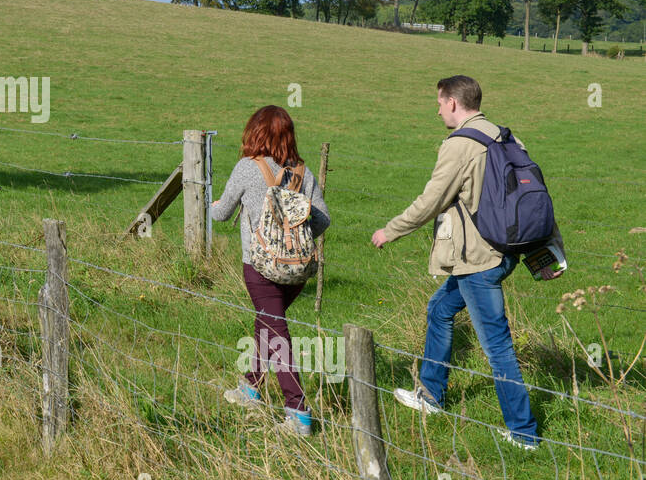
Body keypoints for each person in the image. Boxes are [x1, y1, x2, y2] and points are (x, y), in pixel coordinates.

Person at [371, 75, 563, 450]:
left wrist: (390, 231)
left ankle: (524, 434)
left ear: (454, 103)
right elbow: (536, 197)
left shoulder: (461, 144)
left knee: (497, 347)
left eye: (440, 102)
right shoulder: (506, 137)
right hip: (503, 253)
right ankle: (431, 395)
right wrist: (546, 252)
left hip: (477, 260)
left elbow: (432, 201)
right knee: (440, 309)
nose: (438, 108)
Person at [211, 105, 330, 436]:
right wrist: (295, 228)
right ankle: (251, 388)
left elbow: (222, 214)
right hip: (296, 271)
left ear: (255, 133)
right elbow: (323, 219)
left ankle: (298, 413)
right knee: (268, 323)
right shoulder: (303, 173)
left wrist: (213, 206)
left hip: (259, 266)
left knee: (276, 333)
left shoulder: (248, 168)